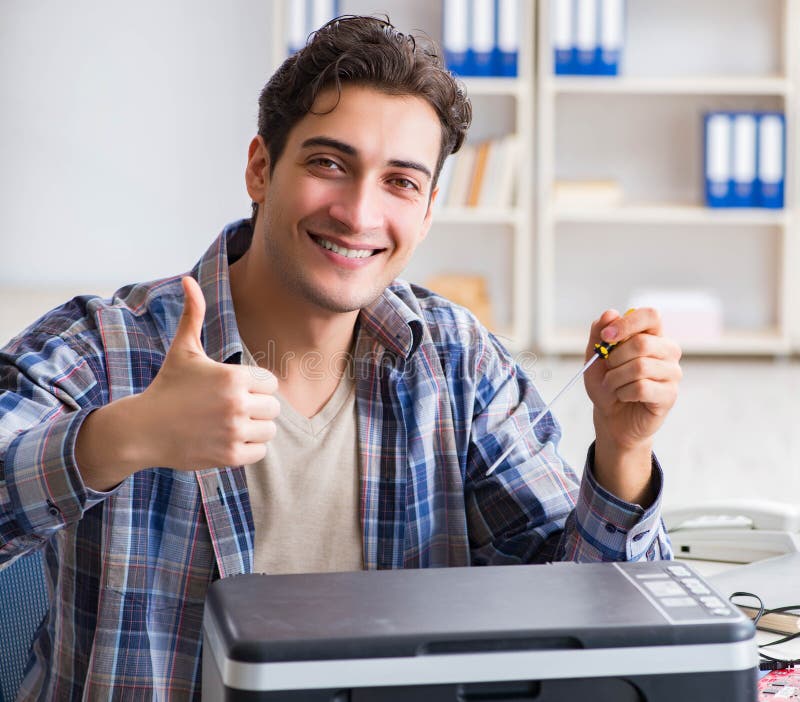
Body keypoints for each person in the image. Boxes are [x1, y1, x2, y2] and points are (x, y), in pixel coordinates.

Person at [0, 15, 682, 699]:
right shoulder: (105, 345)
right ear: (261, 167)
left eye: (400, 183)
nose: (359, 213)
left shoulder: (456, 361)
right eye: (330, 164)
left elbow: (592, 617)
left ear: (427, 211)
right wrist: (125, 436)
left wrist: (623, 451)